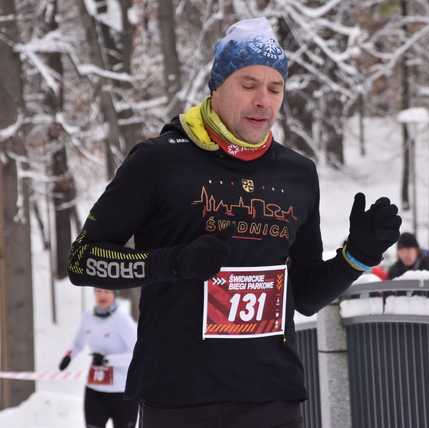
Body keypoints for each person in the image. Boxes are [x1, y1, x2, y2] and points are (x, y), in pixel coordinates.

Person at [67, 17, 401, 428]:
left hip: (274, 398)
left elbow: (307, 295)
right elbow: (82, 262)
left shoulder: (297, 174)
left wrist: (358, 256)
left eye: (275, 88)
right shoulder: (160, 161)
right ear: (217, 85)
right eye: (249, 84)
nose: (263, 100)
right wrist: (172, 263)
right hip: (178, 399)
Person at [58, 288, 138, 428]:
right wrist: (69, 356)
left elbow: (137, 355)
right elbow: (78, 344)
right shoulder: (88, 318)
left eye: (107, 292)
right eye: (99, 291)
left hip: (122, 392)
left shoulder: (122, 320)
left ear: (114, 295)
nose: (102, 296)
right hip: (95, 390)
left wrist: (107, 360)